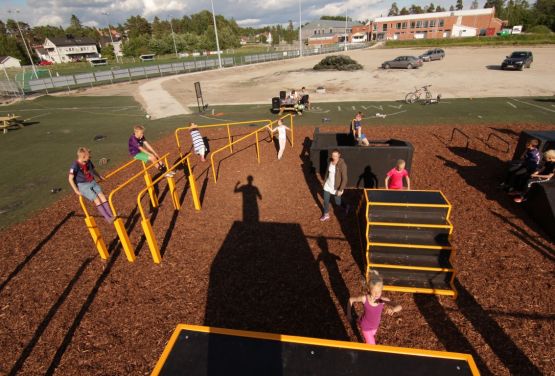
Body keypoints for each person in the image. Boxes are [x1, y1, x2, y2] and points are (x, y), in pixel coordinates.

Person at [347, 270, 402, 345]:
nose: (377, 294)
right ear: (369, 290)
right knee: (372, 345)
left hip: (375, 326)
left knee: (370, 340)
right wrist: (349, 315)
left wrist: (393, 309)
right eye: (374, 292)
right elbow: (351, 300)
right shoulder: (364, 298)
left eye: (379, 292)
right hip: (366, 326)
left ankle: (358, 320)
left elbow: (399, 306)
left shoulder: (382, 300)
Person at [68, 147, 114, 224]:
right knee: (97, 200)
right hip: (83, 185)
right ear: (83, 156)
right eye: (88, 156)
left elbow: (92, 170)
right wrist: (76, 190)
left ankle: (111, 215)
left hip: (92, 181)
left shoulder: (88, 161)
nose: (90, 157)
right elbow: (70, 179)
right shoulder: (75, 165)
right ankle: (107, 218)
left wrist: (99, 176)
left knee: (102, 196)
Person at [320, 149, 349, 221]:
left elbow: (345, 179)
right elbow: (327, 173)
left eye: (336, 156)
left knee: (338, 202)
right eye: (333, 155)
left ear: (339, 155)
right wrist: (325, 182)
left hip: (336, 187)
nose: (334, 157)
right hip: (328, 185)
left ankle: (346, 206)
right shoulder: (330, 161)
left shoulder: (342, 165)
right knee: (326, 201)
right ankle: (326, 214)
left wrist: (340, 189)